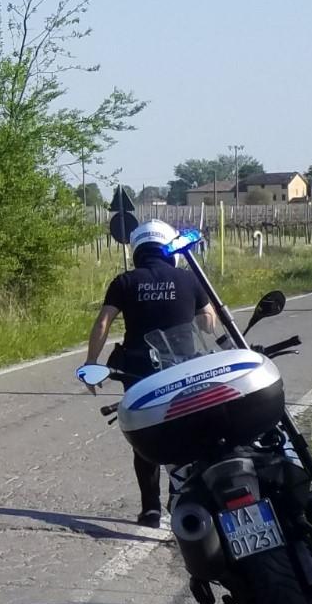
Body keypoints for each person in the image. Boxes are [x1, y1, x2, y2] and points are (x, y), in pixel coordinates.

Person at [82, 219, 217, 528]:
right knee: (186, 433)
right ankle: (179, 498)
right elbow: (208, 322)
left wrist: (92, 361)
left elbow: (103, 322)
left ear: (137, 250)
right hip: (183, 368)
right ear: (169, 248)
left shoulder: (124, 281)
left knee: (145, 439)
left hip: (138, 371)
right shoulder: (187, 279)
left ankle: (150, 509)